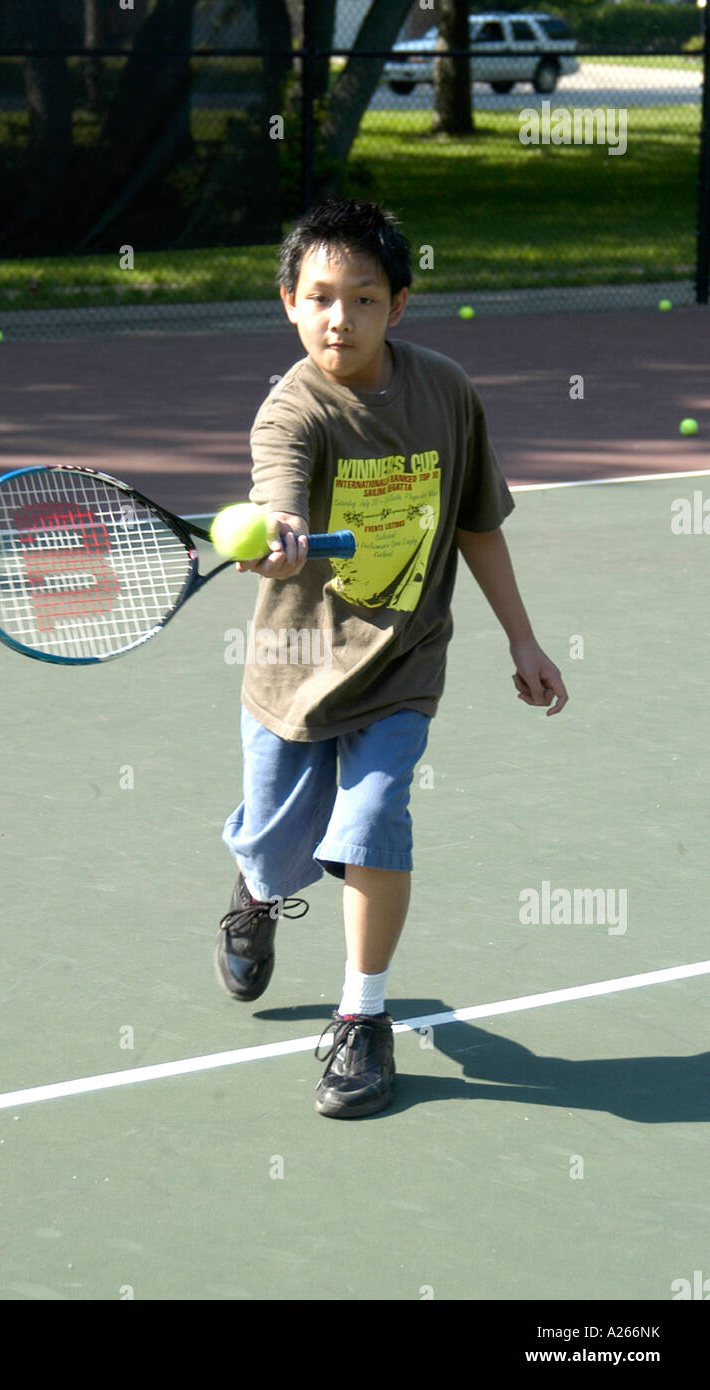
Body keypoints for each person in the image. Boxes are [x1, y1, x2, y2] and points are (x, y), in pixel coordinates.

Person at [214, 196, 568, 1119]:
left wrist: (522, 638)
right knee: (277, 845)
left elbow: (476, 522)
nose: (341, 318)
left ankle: (361, 1019)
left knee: (373, 821)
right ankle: (254, 891)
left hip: (405, 663)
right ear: (288, 301)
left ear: (398, 306)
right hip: (296, 669)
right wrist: (280, 535)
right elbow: (278, 497)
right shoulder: (289, 412)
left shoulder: (444, 389)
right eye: (321, 296)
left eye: (364, 298)